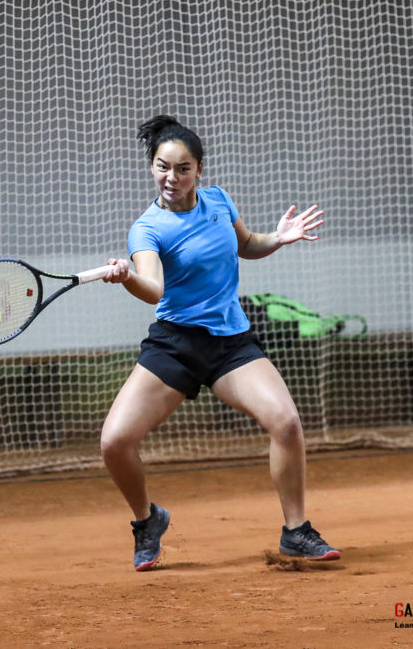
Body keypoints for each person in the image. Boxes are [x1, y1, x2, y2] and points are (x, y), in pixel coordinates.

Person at [99, 115, 339, 571]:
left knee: (286, 423)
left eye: (182, 168)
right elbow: (153, 289)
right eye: (162, 167)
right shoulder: (146, 229)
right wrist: (128, 277)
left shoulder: (219, 202)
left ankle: (296, 531)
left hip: (231, 343)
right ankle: (147, 521)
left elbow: (246, 244)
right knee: (114, 441)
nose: (172, 178)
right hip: (176, 346)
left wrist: (278, 239)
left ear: (199, 170)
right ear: (152, 167)